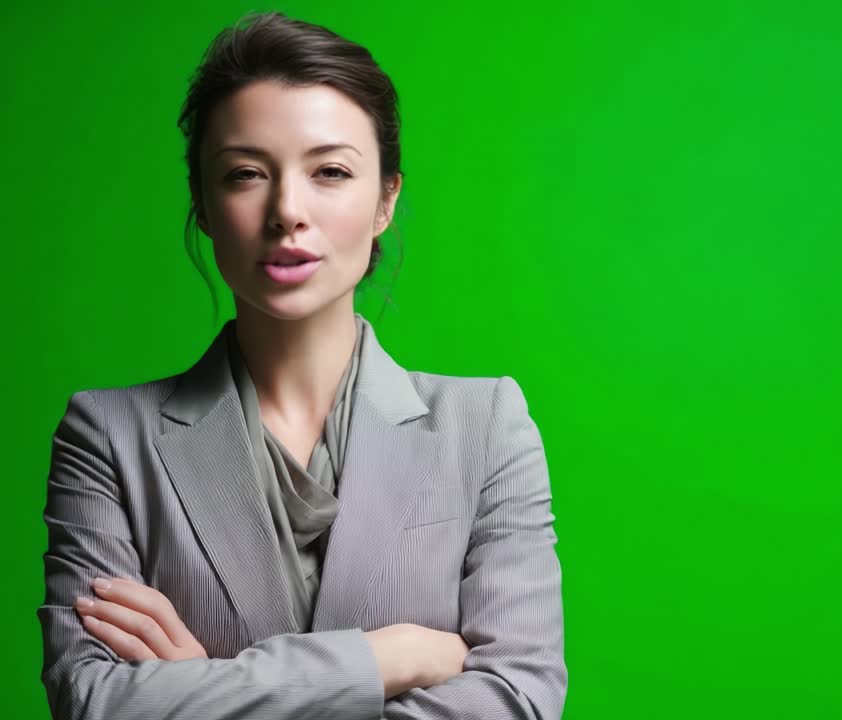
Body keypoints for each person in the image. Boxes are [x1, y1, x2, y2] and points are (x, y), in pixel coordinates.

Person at [35, 11, 566, 720]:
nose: (288, 210)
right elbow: (93, 701)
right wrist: (387, 659)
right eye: (247, 173)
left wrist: (208, 689)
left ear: (385, 200)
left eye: (331, 171)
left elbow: (518, 698)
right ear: (203, 202)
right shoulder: (107, 436)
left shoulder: (486, 427)